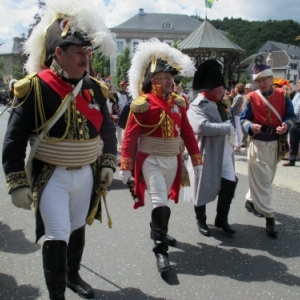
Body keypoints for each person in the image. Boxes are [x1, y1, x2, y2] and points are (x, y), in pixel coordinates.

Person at [2, 0, 117, 299]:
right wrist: (17, 182)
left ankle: (72, 274)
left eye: (87, 52)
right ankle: (56, 295)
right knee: (57, 235)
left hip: (86, 175)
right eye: (78, 52)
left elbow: (107, 128)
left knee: (77, 227)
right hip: (51, 176)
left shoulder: (94, 88)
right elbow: (13, 141)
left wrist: (107, 162)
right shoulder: (35, 88)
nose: (85, 58)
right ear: (58, 54)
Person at [119, 38, 202, 273]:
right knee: (159, 201)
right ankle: (161, 249)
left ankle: (158, 230)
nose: (168, 82)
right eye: (162, 78)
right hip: (151, 160)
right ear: (151, 80)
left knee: (163, 199)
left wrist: (196, 159)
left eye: (170, 78)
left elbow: (186, 131)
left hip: (173, 160)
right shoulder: (142, 104)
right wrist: (125, 164)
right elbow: (130, 137)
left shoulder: (179, 102)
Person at [240, 56, 295, 238]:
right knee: (263, 180)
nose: (261, 83)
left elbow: (291, 116)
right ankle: (269, 217)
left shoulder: (283, 95)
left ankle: (250, 199)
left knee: (266, 178)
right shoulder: (251, 98)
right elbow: (243, 119)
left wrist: (286, 125)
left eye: (264, 80)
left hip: (275, 144)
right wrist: (250, 127)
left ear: (271, 79)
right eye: (258, 81)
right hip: (257, 143)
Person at [184, 60, 238, 237]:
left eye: (222, 88)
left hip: (226, 152)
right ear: (208, 89)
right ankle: (201, 219)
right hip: (207, 153)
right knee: (201, 187)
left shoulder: (222, 104)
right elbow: (201, 127)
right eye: (218, 89)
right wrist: (227, 128)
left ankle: (221, 218)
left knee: (230, 183)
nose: (222, 92)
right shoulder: (196, 105)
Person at [282, 80, 300, 166]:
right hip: (295, 122)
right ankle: (291, 159)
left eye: (299, 83)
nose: (297, 84)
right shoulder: (297, 95)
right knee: (293, 142)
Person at [116, 80, 132, 149]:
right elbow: (115, 103)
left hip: (125, 113)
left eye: (125, 86)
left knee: (125, 129)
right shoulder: (116, 94)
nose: (124, 87)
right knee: (118, 130)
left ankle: (123, 143)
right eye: (123, 86)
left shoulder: (127, 95)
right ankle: (119, 144)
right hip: (118, 113)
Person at [231, 83, 245, 152]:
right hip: (237, 114)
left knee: (237, 131)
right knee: (237, 130)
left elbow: (233, 106)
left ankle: (238, 145)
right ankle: (237, 144)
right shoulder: (239, 96)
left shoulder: (239, 97)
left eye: (236, 87)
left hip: (237, 115)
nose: (234, 89)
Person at [241, 83, 254, 147]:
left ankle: (249, 142)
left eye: (247, 88)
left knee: (250, 130)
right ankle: (244, 142)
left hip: (251, 115)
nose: (245, 90)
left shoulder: (253, 96)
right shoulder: (244, 96)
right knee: (243, 129)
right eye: (245, 88)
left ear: (251, 89)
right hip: (243, 114)